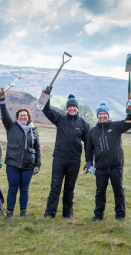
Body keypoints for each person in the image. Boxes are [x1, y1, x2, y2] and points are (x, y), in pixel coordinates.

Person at [42, 91, 89, 220]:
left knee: (69, 188)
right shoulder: (60, 119)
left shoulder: (83, 124)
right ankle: (50, 213)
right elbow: (46, 110)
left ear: (77, 108)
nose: (72, 108)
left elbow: (88, 144)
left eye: (74, 106)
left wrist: (89, 160)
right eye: (69, 106)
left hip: (74, 160)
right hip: (59, 158)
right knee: (55, 187)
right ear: (67, 108)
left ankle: (67, 214)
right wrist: (46, 95)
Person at [85, 101, 131, 221]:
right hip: (101, 168)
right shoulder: (92, 132)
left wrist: (130, 109)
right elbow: (88, 150)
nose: (102, 116)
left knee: (118, 192)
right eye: (100, 114)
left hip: (116, 167)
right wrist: (89, 164)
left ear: (108, 115)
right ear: (97, 115)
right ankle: (98, 216)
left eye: (104, 113)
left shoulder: (116, 126)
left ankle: (120, 216)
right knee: (100, 193)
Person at [0, 88, 41, 219]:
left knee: (24, 189)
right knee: (12, 189)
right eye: (21, 115)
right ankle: (10, 212)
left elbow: (38, 148)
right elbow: (5, 115)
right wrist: (2, 101)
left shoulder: (34, 131)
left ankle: (23, 212)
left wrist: (37, 164)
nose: (23, 117)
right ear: (17, 117)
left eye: (25, 115)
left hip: (28, 164)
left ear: (29, 118)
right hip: (13, 164)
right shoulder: (11, 127)